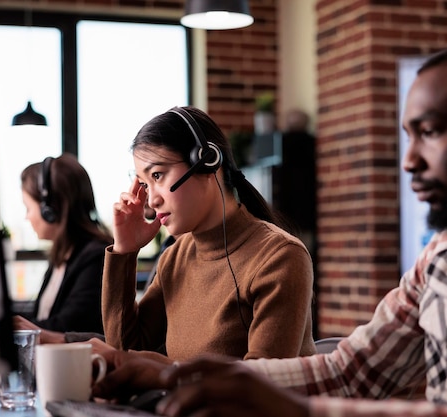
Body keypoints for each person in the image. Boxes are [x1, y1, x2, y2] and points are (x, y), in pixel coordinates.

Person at [92, 35, 447, 417]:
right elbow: (353, 372)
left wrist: (297, 410)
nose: (409, 162)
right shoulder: (444, 257)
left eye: (430, 132)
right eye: (407, 137)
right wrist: (181, 376)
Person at [101, 105, 315, 363]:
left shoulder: (279, 257)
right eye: (145, 184)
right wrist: (125, 252)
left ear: (206, 161)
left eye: (158, 175)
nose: (151, 200)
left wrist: (158, 369)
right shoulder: (175, 258)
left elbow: (259, 385)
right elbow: (125, 351)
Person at [13, 153, 113, 335]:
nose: (26, 217)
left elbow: (68, 327)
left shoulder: (96, 255)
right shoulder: (63, 254)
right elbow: (45, 317)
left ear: (50, 210)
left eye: (28, 208)